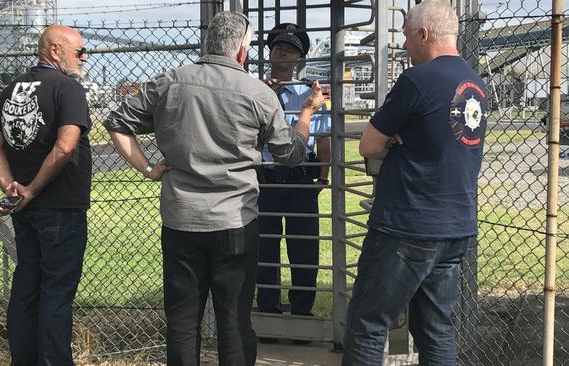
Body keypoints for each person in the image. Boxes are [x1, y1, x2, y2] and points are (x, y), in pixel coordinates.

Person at [103, 11, 324, 366]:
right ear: (241, 52)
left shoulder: (169, 81)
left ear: (208, 44)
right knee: (234, 321)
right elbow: (291, 155)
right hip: (235, 221)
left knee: (182, 320)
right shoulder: (257, 93)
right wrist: (306, 115)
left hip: (180, 220)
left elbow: (116, 121)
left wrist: (148, 167)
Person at [341, 0, 488, 365]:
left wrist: (393, 138)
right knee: (436, 329)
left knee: (368, 324)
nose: (405, 47)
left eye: (407, 36)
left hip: (407, 224)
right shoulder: (476, 83)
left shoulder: (417, 79)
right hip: (455, 226)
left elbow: (369, 144)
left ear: (424, 34)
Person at [0, 25, 91, 366]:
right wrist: (32, 188)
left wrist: (9, 185)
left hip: (25, 208)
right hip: (60, 207)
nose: (84, 57)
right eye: (79, 51)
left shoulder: (10, 89)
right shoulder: (67, 89)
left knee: (28, 285)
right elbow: (65, 145)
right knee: (57, 292)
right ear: (56, 51)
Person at [255, 23, 331, 326]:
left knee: (304, 248)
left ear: (299, 59)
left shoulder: (311, 95)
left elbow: (323, 139)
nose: (281, 51)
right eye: (277, 46)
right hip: (266, 179)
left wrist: (322, 178)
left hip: (301, 180)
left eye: (289, 48)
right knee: (265, 248)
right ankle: (269, 311)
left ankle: (302, 311)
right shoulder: (256, 91)